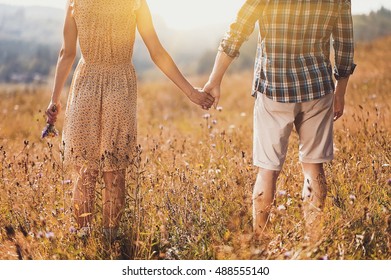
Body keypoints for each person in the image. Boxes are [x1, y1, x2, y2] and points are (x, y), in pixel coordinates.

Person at [45, 0, 214, 242]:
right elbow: (157, 52)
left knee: (84, 171)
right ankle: (111, 242)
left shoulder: (76, 1)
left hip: (86, 83)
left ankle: (84, 242)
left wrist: (54, 100)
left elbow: (67, 53)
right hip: (120, 84)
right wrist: (191, 92)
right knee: (114, 171)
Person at [203, 0, 355, 242]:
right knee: (314, 167)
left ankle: (261, 243)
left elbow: (238, 30)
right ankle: (313, 241)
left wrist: (215, 79)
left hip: (274, 89)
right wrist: (341, 91)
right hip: (317, 88)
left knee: (268, 171)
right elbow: (345, 43)